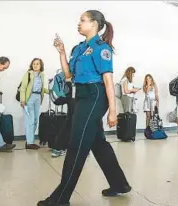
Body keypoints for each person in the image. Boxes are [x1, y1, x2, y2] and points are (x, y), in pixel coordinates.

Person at [38, 10, 131, 206]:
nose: (79, 23)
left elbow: (108, 80)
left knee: (76, 144)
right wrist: (62, 52)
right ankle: (119, 184)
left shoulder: (101, 48)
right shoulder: (79, 48)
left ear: (95, 24)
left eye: (83, 20)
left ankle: (60, 198)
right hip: (81, 96)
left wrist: (113, 111)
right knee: (98, 143)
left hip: (95, 95)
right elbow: (68, 75)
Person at [20, 58, 49, 149]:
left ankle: (30, 140)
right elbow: (23, 87)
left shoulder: (42, 75)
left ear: (41, 66)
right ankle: (29, 142)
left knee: (35, 120)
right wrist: (22, 100)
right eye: (34, 64)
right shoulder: (28, 74)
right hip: (29, 98)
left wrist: (50, 91)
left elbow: (41, 89)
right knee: (30, 120)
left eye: (37, 64)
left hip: (38, 98)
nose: (35, 65)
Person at [51, 78, 75, 157]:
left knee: (69, 124)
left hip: (71, 94)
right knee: (72, 124)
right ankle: (59, 148)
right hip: (75, 94)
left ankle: (58, 148)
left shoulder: (66, 75)